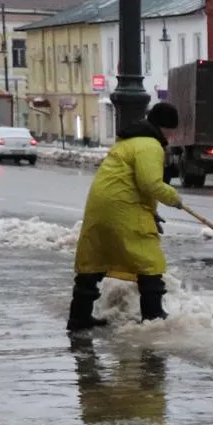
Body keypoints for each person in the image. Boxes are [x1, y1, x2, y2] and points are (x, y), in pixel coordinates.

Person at [68, 102, 183, 332]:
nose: (173, 135)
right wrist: (174, 198)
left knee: (95, 259)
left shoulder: (127, 143)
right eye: (173, 129)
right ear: (166, 127)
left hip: (100, 207)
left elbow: (128, 182)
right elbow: (149, 183)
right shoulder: (150, 145)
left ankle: (79, 316)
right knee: (149, 260)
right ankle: (153, 316)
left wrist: (152, 212)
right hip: (123, 208)